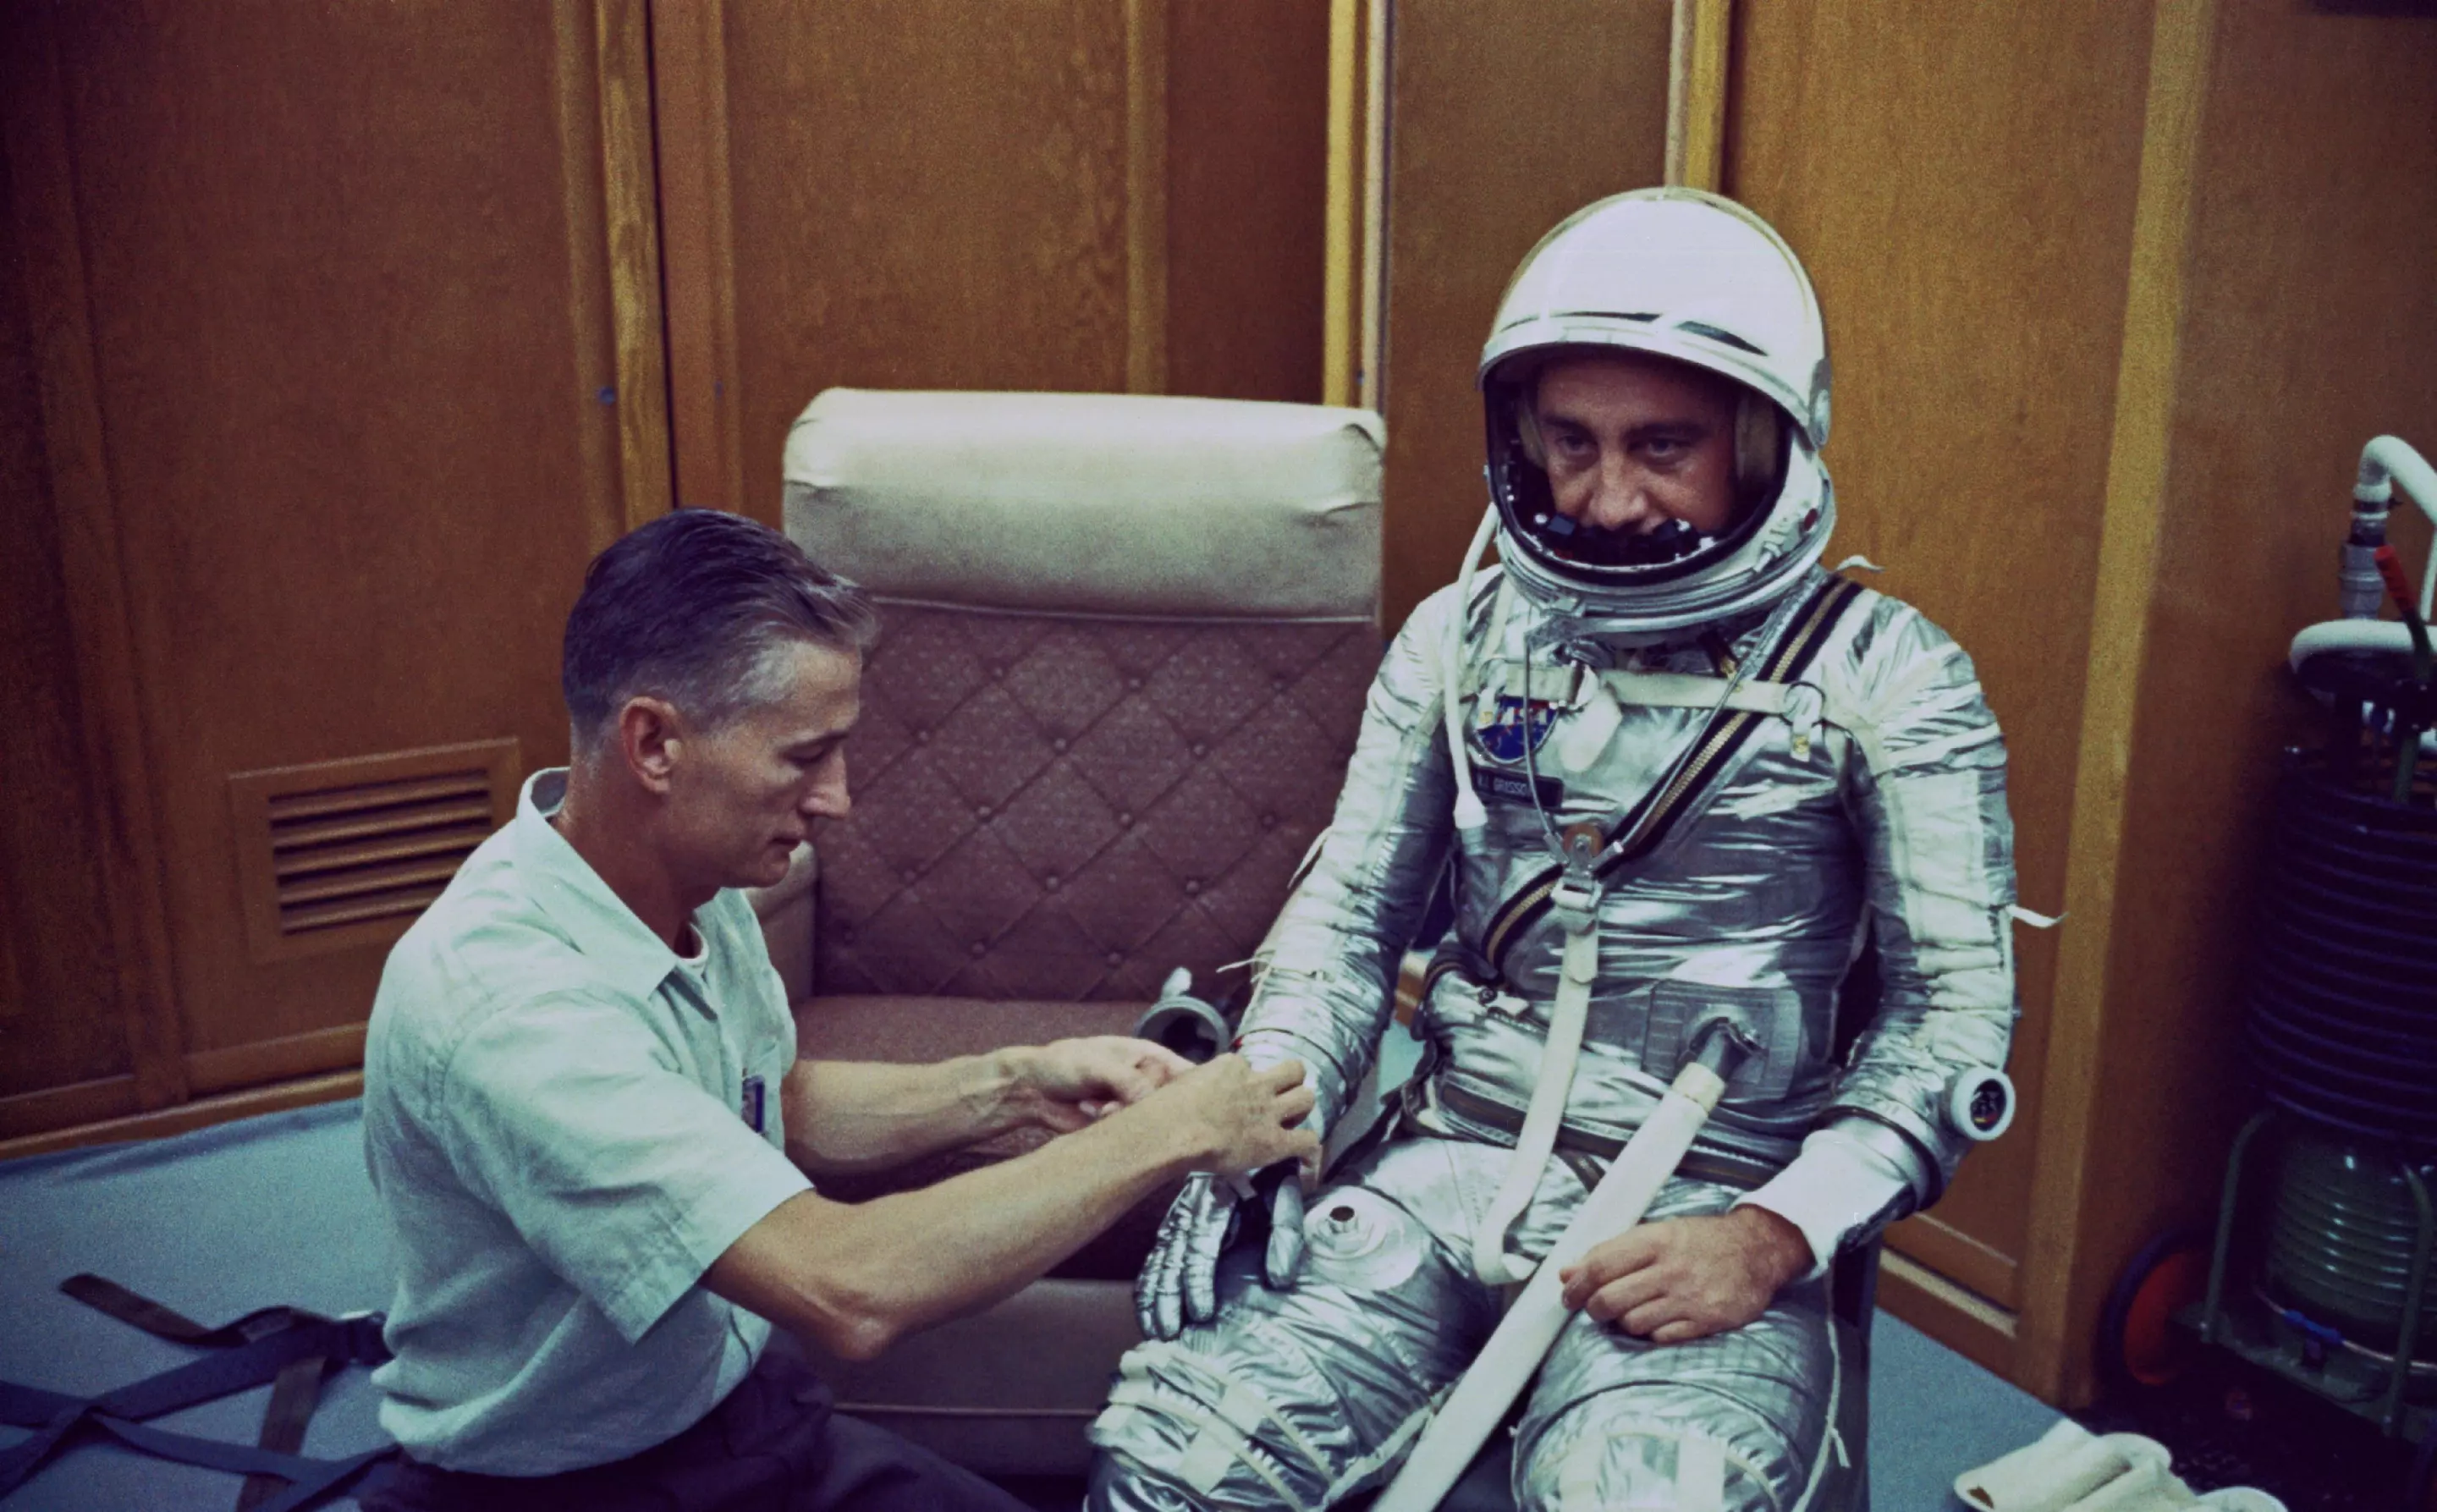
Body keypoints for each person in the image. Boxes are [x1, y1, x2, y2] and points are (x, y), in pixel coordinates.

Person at [1090, 188, 2021, 1510]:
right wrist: (1267, 1108)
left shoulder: (1891, 678)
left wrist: (1771, 1235)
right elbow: (1349, 919)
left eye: (1665, 445)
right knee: (1169, 1461)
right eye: (1570, 443)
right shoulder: (1459, 639)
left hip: (1703, 1199)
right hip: (1447, 1161)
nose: (1609, 497)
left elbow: (1951, 1020)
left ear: (1762, 440)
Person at [355, 509, 1318, 1511]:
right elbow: (847, 1286)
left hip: (743, 1417)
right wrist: (1178, 1130)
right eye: (804, 755)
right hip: (568, 1490)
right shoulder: (510, 1005)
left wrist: (1011, 1086)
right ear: (653, 744)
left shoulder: (690, 881)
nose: (839, 798)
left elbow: (767, 1098)